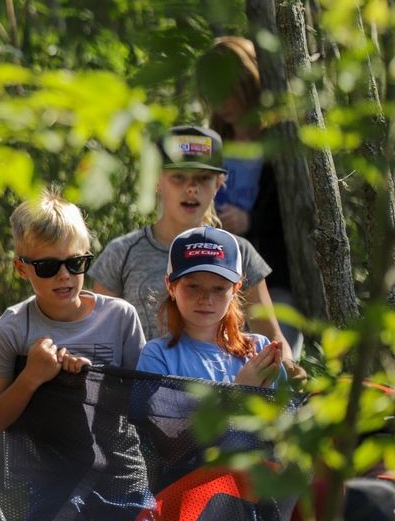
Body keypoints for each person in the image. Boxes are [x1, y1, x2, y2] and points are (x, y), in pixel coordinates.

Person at [0, 188, 151, 521]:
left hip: (119, 468)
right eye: (47, 266)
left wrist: (95, 382)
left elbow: (145, 404)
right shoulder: (13, 328)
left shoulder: (120, 318)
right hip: (51, 475)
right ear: (21, 267)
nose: (64, 276)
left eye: (75, 263)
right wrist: (32, 378)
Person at [89, 125, 298, 373]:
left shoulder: (240, 252)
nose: (191, 188)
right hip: (142, 401)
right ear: (156, 180)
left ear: (220, 182)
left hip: (226, 397)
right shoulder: (120, 253)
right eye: (179, 176)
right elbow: (101, 341)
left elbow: (271, 334)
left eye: (203, 178)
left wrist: (288, 368)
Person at [196, 36, 302, 354]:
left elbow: (297, 213)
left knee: (273, 361)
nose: (223, 101)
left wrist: (251, 221)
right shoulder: (211, 144)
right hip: (217, 280)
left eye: (230, 90)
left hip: (274, 281)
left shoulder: (280, 143)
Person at [137, 226, 287, 387]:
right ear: (171, 286)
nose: (206, 299)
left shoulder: (260, 351)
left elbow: (287, 410)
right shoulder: (157, 355)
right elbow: (150, 413)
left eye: (219, 288)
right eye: (193, 286)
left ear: (236, 289)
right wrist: (239, 391)